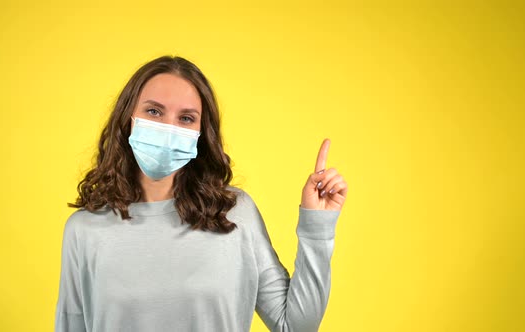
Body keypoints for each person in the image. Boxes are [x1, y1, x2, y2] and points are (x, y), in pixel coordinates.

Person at [54, 55, 348, 332]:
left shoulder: (234, 213)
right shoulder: (84, 229)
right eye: (154, 111)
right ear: (128, 117)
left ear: (200, 132)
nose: (168, 128)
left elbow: (293, 326)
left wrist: (317, 228)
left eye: (186, 118)